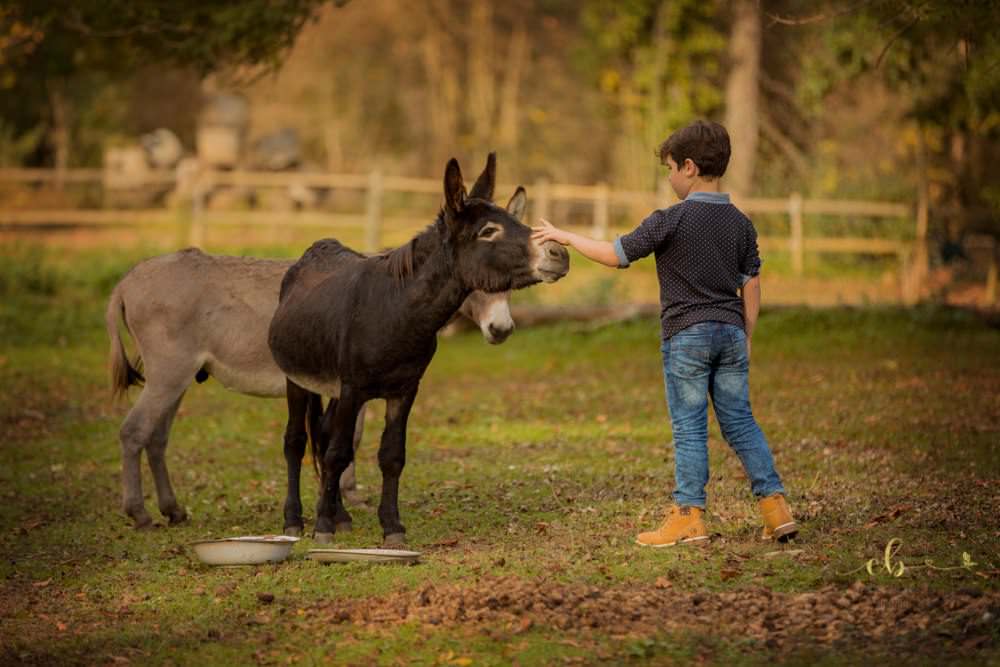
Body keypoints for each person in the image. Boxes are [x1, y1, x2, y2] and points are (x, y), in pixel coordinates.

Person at [531, 120, 797, 547]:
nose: (670, 178)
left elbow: (616, 255)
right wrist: (746, 332)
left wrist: (567, 237)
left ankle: (689, 516)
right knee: (741, 423)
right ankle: (775, 507)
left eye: (670, 168)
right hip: (731, 333)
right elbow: (751, 281)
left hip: (686, 336)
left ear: (689, 168)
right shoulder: (741, 223)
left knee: (689, 429)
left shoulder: (670, 220)